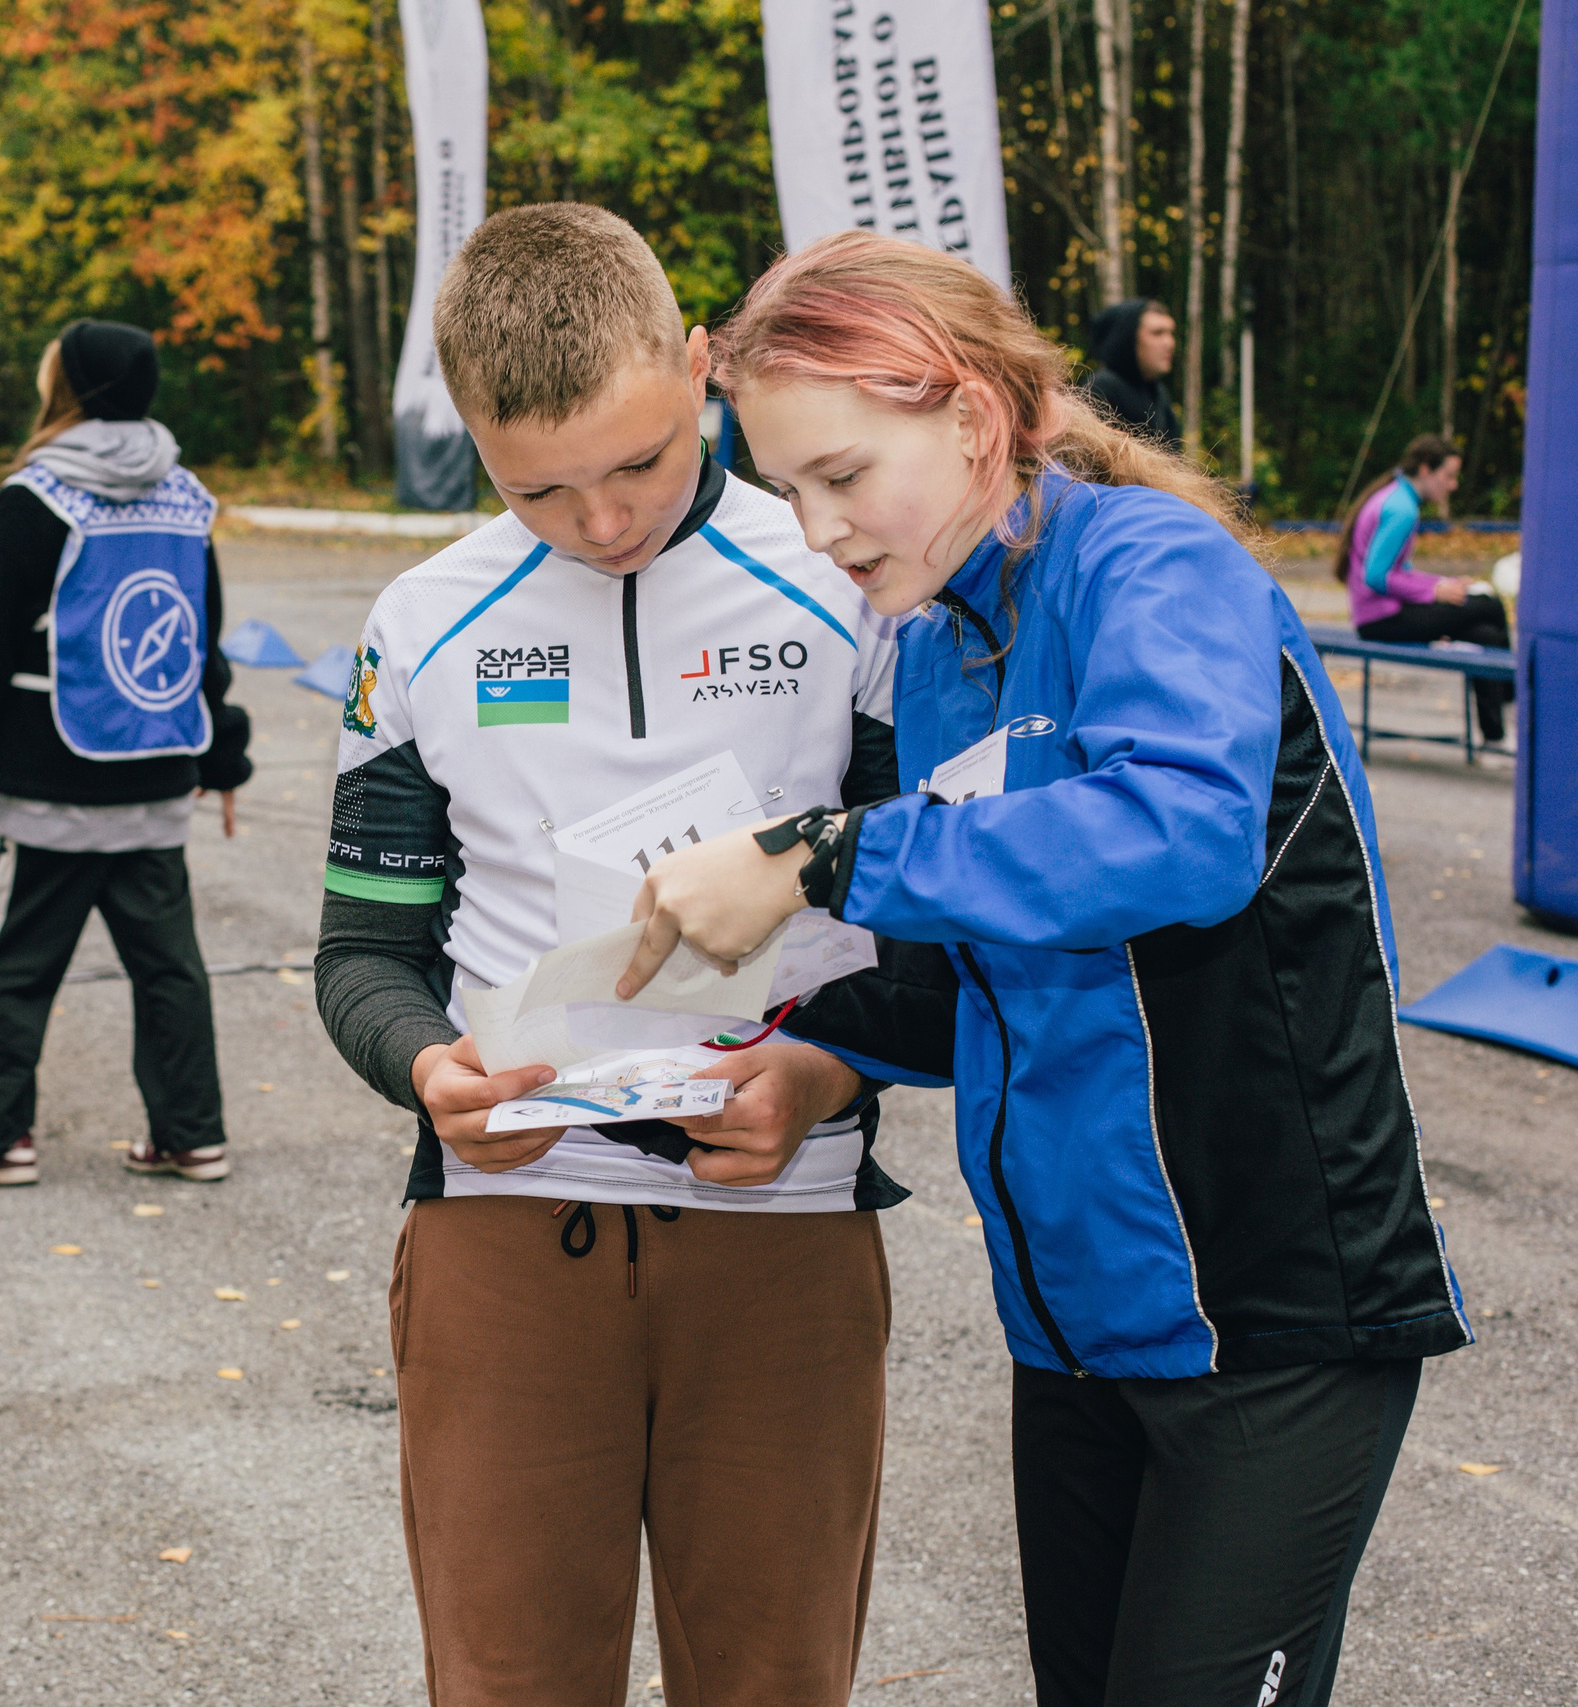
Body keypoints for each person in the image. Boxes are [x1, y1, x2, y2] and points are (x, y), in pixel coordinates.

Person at [622, 229, 1469, 1707]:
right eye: (786, 489)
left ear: (967, 414)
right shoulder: (946, 638)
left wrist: (819, 851)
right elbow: (985, 960)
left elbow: (1181, 834)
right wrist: (810, 1051)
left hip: (1275, 1308)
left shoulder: (1156, 563)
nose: (817, 532)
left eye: (839, 476)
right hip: (1080, 1325)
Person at [315, 203, 902, 1707]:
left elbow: (947, 915)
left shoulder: (848, 571)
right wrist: (425, 1066)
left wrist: (830, 1070)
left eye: (640, 460)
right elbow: (362, 950)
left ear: (701, 364)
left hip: (782, 1212)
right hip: (509, 1216)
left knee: (775, 1678)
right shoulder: (426, 615)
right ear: (470, 438)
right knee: (509, 1680)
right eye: (540, 490)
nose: (605, 523)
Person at [0, 320, 252, 1188]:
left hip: (46, 789)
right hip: (157, 778)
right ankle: (190, 1133)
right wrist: (220, 758)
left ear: (67, 389)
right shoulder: (185, 502)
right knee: (169, 971)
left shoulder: (31, 502)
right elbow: (195, 640)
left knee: (6, 969)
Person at [1339, 432, 1512, 744]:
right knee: (1489, 605)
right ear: (1425, 470)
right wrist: (1433, 593)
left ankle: (1494, 738)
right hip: (1381, 620)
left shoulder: (1397, 497)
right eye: (1448, 476)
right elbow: (1376, 576)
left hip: (1382, 615)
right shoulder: (1403, 509)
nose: (1453, 485)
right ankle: (1514, 694)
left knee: (1484, 635)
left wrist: (1443, 584)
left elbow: (1400, 570)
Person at [1083, 298, 1180, 450]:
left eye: (1170, 333)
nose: (1169, 343)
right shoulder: (1101, 389)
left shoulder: (1157, 392)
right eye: (1157, 333)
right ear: (1129, 339)